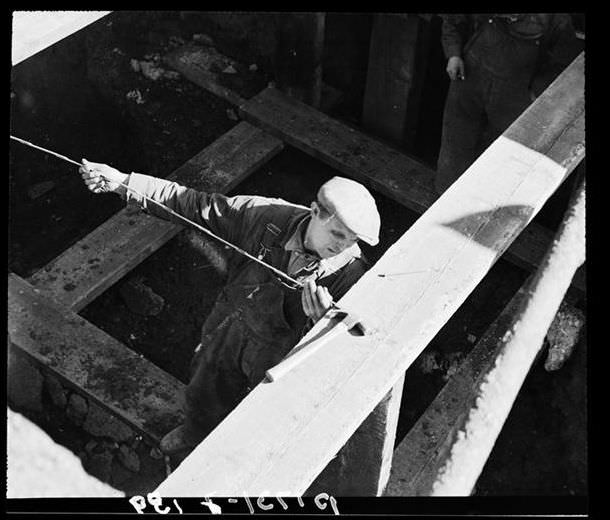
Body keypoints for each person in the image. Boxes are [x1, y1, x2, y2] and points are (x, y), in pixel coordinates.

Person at [79, 159, 380, 455]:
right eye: (338, 235)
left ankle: (245, 457)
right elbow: (193, 204)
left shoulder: (350, 273)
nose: (342, 247)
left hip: (281, 352)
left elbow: (356, 349)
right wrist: (125, 182)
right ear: (315, 211)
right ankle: (194, 432)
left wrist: (322, 324)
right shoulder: (265, 217)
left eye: (351, 240)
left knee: (270, 409)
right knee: (206, 382)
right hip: (230, 322)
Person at [435, 14, 578, 194]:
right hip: (470, 80)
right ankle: (442, 202)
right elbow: (452, 21)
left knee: (500, 158)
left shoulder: (556, 19)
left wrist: (536, 92)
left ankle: (478, 216)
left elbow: (563, 60)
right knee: (455, 147)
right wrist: (453, 54)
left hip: (515, 95)